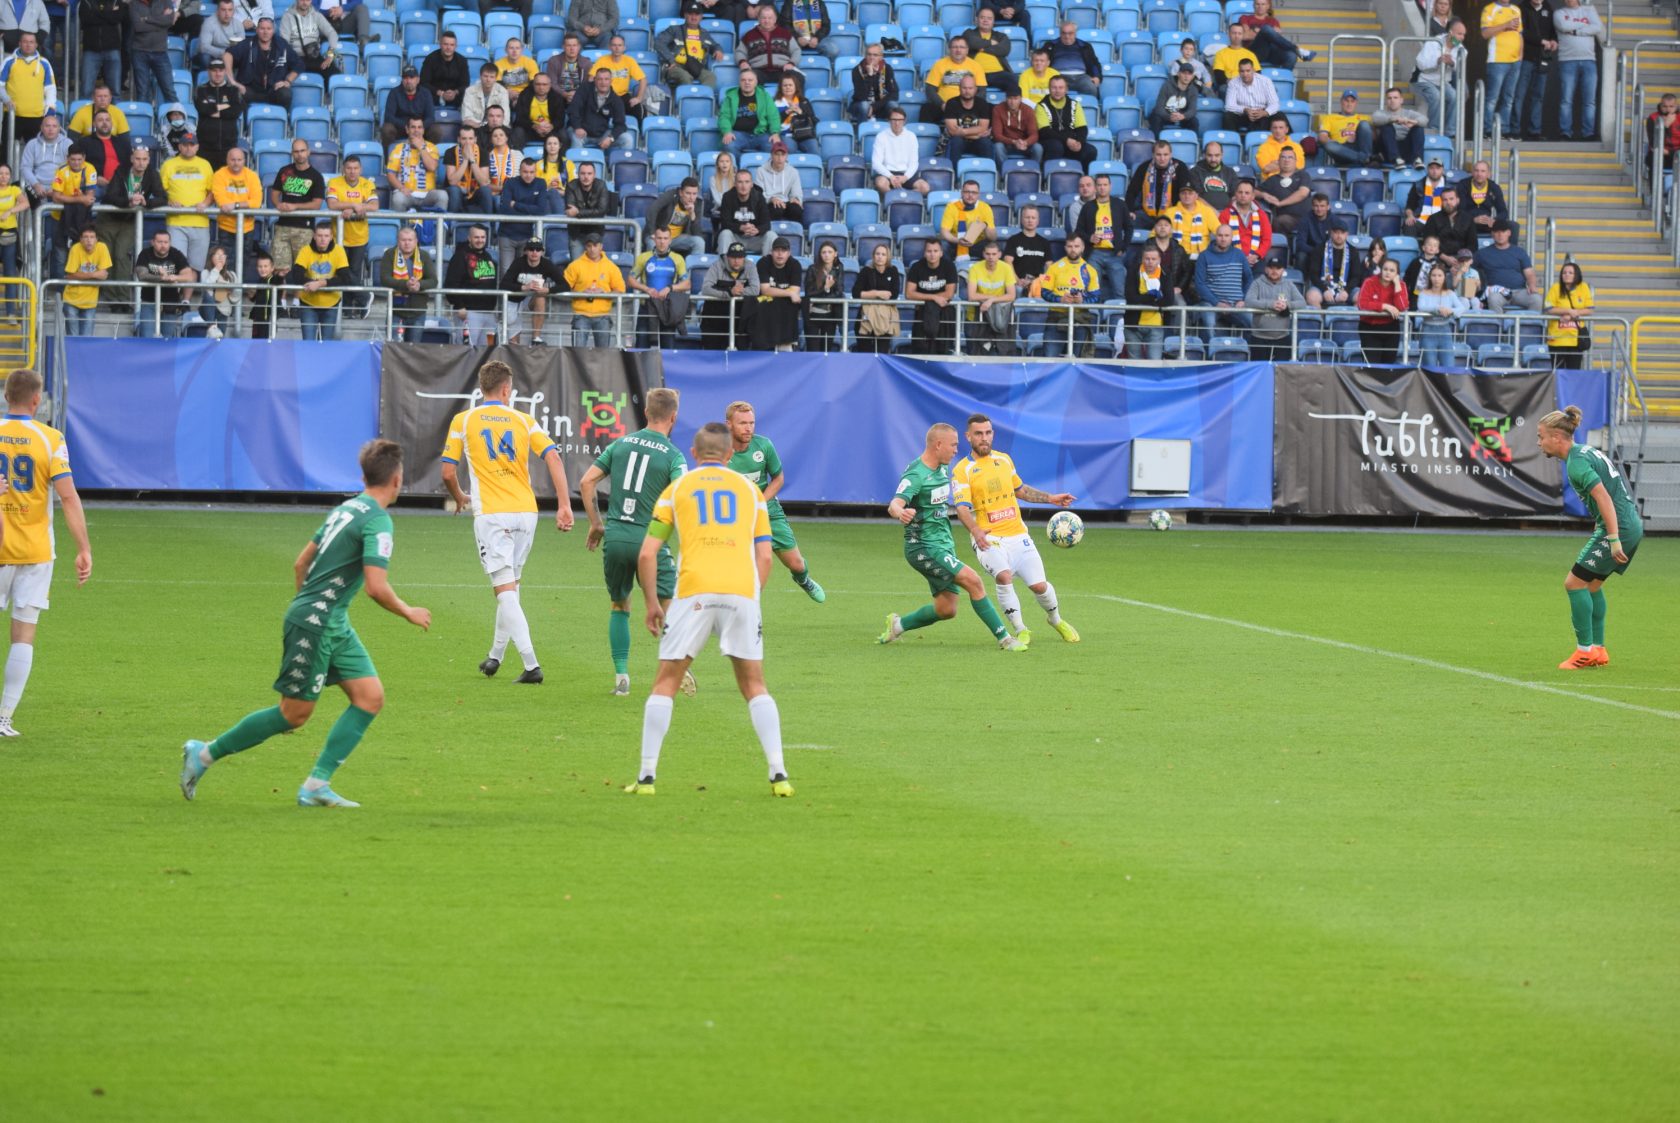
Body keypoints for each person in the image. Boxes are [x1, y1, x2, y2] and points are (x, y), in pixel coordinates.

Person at [179, 439, 431, 807]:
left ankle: (316, 786)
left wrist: (310, 605)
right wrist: (408, 611)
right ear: (397, 480)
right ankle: (203, 754)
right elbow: (376, 587)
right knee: (293, 714)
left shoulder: (346, 509)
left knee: (369, 697)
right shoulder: (378, 521)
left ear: (364, 477)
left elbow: (301, 564)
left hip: (329, 620)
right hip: (318, 622)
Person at [624, 421, 792, 796]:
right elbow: (765, 556)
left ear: (694, 453)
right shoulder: (751, 492)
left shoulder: (677, 488)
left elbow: (648, 553)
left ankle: (647, 777)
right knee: (754, 685)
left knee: (666, 682)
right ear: (730, 454)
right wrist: (751, 597)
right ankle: (779, 774)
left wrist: (651, 603)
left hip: (693, 592)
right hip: (740, 591)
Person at [438, 360, 572, 685]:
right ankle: (495, 656)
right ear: (506, 390)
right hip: (526, 512)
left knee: (504, 590)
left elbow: (447, 472)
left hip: (492, 514)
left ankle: (531, 665)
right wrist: (565, 505)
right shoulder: (525, 420)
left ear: (481, 388)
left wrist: (459, 496)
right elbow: (554, 457)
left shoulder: (464, 419)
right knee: (511, 587)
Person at [577, 386, 688, 697]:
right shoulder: (674, 455)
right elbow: (683, 496)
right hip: (649, 539)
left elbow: (586, 482)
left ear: (646, 413)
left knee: (619, 605)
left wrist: (596, 524)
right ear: (674, 417)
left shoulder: (621, 444)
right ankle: (677, 664)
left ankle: (622, 678)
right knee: (669, 604)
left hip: (615, 537)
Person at [877, 423, 1025, 652]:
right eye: (953, 445)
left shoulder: (942, 468)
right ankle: (1005, 639)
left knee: (946, 609)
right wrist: (901, 512)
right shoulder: (916, 474)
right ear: (938, 445)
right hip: (923, 546)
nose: (957, 450)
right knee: (973, 581)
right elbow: (894, 504)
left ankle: (897, 625)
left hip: (943, 544)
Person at [0, 371, 83, 738]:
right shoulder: (50, 439)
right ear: (36, 400)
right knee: (23, 633)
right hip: (34, 551)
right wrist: (83, 548)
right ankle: (3, 718)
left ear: (6, 396)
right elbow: (68, 496)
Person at [952, 414, 1077, 645]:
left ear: (992, 434)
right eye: (978, 433)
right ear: (968, 437)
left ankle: (1055, 619)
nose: (984, 438)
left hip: (1018, 534)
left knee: (1039, 586)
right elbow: (961, 508)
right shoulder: (963, 470)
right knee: (1004, 575)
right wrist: (975, 531)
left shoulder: (1004, 460)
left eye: (988, 432)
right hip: (988, 537)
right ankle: (1020, 629)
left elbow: (1020, 490)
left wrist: (1051, 498)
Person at [1536, 405, 1642, 670]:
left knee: (1573, 583)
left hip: (1618, 529)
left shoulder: (1577, 464)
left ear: (1557, 437)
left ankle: (1584, 652)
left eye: (1541, 436)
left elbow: (1603, 497)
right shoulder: (1584, 452)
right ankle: (1598, 650)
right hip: (1628, 524)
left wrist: (1613, 538)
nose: (1539, 443)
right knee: (1592, 586)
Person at [724, 401, 825, 602]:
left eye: (752, 423)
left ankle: (804, 580)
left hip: (768, 512)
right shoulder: (721, 452)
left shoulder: (764, 445)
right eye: (743, 423)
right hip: (736, 517)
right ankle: (742, 603)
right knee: (745, 569)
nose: (748, 428)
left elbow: (778, 478)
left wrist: (759, 503)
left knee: (796, 564)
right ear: (729, 424)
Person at [325, 152, 375, 312]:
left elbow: (374, 206)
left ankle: (348, 308)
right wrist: (354, 205)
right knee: (342, 271)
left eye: (355, 168)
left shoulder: (367, 184)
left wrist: (352, 208)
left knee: (353, 273)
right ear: (343, 169)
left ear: (361, 169)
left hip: (359, 237)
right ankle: (364, 297)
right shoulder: (334, 182)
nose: (352, 171)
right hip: (339, 236)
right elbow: (332, 204)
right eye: (349, 168)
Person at [269, 137, 325, 275]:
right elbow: (274, 194)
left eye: (302, 151)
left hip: (304, 229)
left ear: (308, 152)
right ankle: (280, 291)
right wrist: (278, 204)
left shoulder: (316, 176)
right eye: (296, 151)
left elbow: (317, 204)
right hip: (283, 226)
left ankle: (298, 292)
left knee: (303, 271)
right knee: (279, 270)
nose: (300, 154)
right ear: (292, 153)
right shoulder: (284, 171)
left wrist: (295, 207)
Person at [161, 131, 214, 273]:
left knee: (196, 267)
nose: (188, 148)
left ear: (197, 147)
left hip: (200, 222)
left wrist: (205, 203)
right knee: (177, 266)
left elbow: (212, 191)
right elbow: (160, 190)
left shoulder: (205, 164)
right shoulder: (168, 164)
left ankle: (189, 290)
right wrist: (169, 201)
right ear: (179, 146)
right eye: (185, 145)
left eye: (192, 145)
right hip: (176, 222)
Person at [629, 227, 691, 348]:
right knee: (641, 346)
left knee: (668, 348)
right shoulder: (643, 257)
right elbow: (631, 280)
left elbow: (687, 284)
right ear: (654, 239)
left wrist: (670, 288)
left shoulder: (677, 258)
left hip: (667, 307)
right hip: (646, 306)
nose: (662, 242)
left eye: (665, 238)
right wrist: (646, 289)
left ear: (670, 240)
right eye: (659, 238)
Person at [1038, 233, 1099, 356]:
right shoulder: (1054, 268)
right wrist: (1060, 299)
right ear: (1065, 248)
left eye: (1076, 246)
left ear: (1082, 248)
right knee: (1050, 359)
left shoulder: (1090, 270)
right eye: (1070, 246)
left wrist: (1082, 301)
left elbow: (1096, 296)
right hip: (1056, 317)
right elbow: (1044, 292)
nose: (1073, 249)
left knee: (1079, 361)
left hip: (1080, 319)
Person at [287, 220, 349, 339]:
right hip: (308, 304)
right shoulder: (305, 250)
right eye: (320, 235)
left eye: (326, 236)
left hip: (331, 304)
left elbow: (345, 278)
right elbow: (296, 275)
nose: (323, 239)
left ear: (331, 237)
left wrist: (320, 283)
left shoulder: (339, 251)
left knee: (325, 345)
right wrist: (311, 283)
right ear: (314, 236)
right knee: (308, 343)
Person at [1553, 0, 1605, 142]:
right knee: (1566, 100)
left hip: (1589, 60)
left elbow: (1597, 27)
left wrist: (1576, 31)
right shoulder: (1559, 13)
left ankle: (1588, 133)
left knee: (1589, 101)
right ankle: (1565, 132)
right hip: (1567, 60)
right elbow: (1563, 26)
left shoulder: (1589, 10)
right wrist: (1586, 25)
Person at [561, 231, 624, 347]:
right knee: (578, 353)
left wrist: (604, 293)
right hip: (581, 314)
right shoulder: (575, 266)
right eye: (589, 246)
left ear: (601, 246)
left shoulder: (611, 267)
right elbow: (563, 288)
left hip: (603, 315)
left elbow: (620, 290)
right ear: (585, 247)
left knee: (602, 353)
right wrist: (581, 293)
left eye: (595, 245)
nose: (592, 249)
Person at [444, 223, 503, 345]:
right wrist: (459, 305)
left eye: (483, 237)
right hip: (469, 313)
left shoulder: (487, 256)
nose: (480, 240)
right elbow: (450, 283)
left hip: (489, 313)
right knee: (466, 351)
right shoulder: (460, 256)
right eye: (476, 237)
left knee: (487, 352)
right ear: (469, 238)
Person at [1073, 171, 1127, 301]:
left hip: (1114, 253)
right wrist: (1089, 238)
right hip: (1094, 253)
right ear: (1095, 187)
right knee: (1093, 290)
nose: (1102, 188)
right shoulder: (1088, 207)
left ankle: (1119, 314)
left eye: (1105, 185)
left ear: (1110, 186)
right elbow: (1079, 230)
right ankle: (1093, 314)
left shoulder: (1119, 204)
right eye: (1099, 185)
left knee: (1119, 291)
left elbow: (1129, 227)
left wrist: (1123, 247)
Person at [1192, 225, 1253, 338]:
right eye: (1220, 235)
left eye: (1226, 235)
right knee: (1209, 323)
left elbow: (1249, 279)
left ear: (1231, 237)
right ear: (1215, 237)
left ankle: (1246, 349)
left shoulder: (1239, 254)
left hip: (1236, 304)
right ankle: (1211, 349)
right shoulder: (1204, 256)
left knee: (1253, 322)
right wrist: (1217, 303)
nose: (1223, 239)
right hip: (1211, 304)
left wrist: (1243, 299)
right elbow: (1199, 284)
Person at [1241, 252, 1303, 360]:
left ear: (1283, 270)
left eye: (1278, 268)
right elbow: (1248, 301)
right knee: (1259, 368)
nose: (1274, 271)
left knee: (1281, 369)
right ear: (1266, 269)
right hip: (1259, 337)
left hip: (1282, 338)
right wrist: (1270, 304)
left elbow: (1302, 303)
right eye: (1271, 268)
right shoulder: (1257, 283)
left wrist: (1286, 305)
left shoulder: (1289, 284)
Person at [225, 17, 298, 109]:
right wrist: (232, 81)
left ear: (273, 31)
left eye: (269, 29)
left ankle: (284, 117)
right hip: (250, 89)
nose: (265, 32)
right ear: (257, 30)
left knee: (285, 94)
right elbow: (227, 55)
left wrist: (288, 81)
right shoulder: (247, 44)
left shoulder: (281, 44)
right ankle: (243, 118)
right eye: (262, 28)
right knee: (237, 93)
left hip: (273, 90)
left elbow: (299, 64)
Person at [379, 225, 437, 337]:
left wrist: (419, 285)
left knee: (414, 346)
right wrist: (406, 284)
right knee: (394, 346)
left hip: (418, 311)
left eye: (410, 240)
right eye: (403, 240)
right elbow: (384, 279)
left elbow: (433, 280)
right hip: (396, 311)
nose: (407, 243)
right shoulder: (389, 254)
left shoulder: (424, 256)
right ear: (398, 241)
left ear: (416, 241)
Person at [1511, 0, 1556, 141]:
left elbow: (1552, 31)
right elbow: (1522, 32)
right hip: (1525, 58)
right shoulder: (1521, 8)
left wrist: (1554, 40)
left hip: (1542, 59)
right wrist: (1541, 41)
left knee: (1538, 96)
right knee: (1519, 95)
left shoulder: (1548, 7)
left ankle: (1534, 131)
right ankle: (1514, 130)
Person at [700, 240, 758, 348]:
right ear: (727, 257)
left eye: (740, 257)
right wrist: (729, 292)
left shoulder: (751, 266)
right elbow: (706, 289)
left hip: (740, 320)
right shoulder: (716, 266)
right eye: (733, 257)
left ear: (744, 258)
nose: (736, 261)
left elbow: (755, 290)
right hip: (715, 320)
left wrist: (737, 291)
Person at [1412, 19, 1465, 135]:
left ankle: (1450, 132)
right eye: (1459, 34)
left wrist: (1452, 63)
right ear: (1450, 33)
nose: (1462, 37)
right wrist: (1437, 61)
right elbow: (1420, 63)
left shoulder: (1461, 50)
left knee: (1455, 97)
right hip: (1423, 80)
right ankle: (1434, 129)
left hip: (1442, 83)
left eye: (1464, 34)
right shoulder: (1433, 43)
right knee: (1436, 96)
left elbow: (1462, 69)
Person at [1474, 220, 1540, 313]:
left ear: (1509, 233)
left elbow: (1530, 273)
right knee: (1493, 298)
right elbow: (1468, 268)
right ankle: (1498, 323)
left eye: (1503, 231)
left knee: (1537, 299)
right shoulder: (1482, 253)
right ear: (1492, 234)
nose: (1500, 235)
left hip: (1519, 291)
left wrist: (1532, 285)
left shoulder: (1519, 252)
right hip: (1498, 292)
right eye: (1497, 232)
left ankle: (1529, 323)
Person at [905, 238, 957, 354]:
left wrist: (926, 297)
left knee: (943, 350)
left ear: (941, 253)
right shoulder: (916, 267)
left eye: (935, 251)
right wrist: (934, 297)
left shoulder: (949, 266)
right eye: (929, 251)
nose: (932, 254)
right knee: (921, 350)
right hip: (922, 313)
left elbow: (949, 293)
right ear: (924, 253)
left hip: (944, 314)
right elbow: (909, 294)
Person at [0, 32, 55, 142]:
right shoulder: (9, 61)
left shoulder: (44, 63)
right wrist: (6, 100)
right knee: (6, 151)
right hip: (13, 115)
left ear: (36, 45)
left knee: (35, 152)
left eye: (31, 42)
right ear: (19, 43)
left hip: (37, 116)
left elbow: (50, 88)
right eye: (25, 42)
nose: (28, 45)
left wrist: (50, 108)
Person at [965, 239, 1016, 356]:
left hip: (998, 316)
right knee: (975, 353)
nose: (991, 257)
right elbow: (971, 296)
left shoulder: (1006, 268)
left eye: (994, 254)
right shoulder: (975, 268)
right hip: (976, 317)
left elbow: (1012, 295)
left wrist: (991, 300)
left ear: (999, 254)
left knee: (1000, 353)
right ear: (983, 254)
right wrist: (994, 298)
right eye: (988, 254)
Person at [657, 3, 726, 89]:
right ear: (685, 15)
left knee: (711, 77)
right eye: (690, 14)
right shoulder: (674, 29)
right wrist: (671, 60)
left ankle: (702, 97)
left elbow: (715, 45)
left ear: (701, 16)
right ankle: (688, 97)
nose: (694, 17)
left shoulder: (704, 33)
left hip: (696, 67)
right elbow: (659, 43)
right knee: (685, 77)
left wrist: (717, 50)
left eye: (697, 14)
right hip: (676, 66)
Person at [1122, 242, 1172, 359]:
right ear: (1142, 259)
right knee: (1135, 363)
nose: (1150, 262)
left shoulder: (1166, 273)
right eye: (1147, 259)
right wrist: (1154, 297)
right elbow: (1131, 298)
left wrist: (1143, 298)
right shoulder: (1133, 271)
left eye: (1153, 259)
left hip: (1156, 325)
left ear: (1159, 260)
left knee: (1154, 362)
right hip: (1133, 324)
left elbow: (1169, 300)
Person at [751, 235, 802, 351]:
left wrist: (779, 292)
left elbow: (795, 291)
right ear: (771, 252)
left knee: (790, 304)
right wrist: (789, 293)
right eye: (777, 250)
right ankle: (764, 345)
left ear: (789, 253)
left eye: (783, 250)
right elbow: (765, 290)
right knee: (765, 303)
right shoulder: (763, 262)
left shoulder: (795, 265)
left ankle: (787, 343)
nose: (780, 254)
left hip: (785, 305)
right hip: (766, 303)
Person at [1481, 0, 1523, 138]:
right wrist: (1505, 25)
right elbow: (1485, 33)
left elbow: (1519, 34)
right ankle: (1487, 130)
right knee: (1492, 98)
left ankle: (1504, 130)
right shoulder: (1489, 9)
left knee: (1508, 98)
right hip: (1497, 60)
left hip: (1515, 61)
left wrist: (1520, 56)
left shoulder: (1516, 9)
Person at [194, 59, 246, 170]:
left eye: (220, 70)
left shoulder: (233, 90)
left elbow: (235, 112)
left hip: (228, 145)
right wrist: (225, 106)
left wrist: (212, 110)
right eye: (214, 71)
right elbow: (203, 109)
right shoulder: (201, 90)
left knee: (226, 179)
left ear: (225, 72)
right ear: (209, 72)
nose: (218, 74)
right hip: (205, 146)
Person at [385, 116, 444, 212]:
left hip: (428, 194)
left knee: (442, 196)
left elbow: (432, 167)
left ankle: (438, 222)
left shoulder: (432, 147)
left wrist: (421, 148)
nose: (416, 130)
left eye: (419, 127)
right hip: (407, 194)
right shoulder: (398, 148)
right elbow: (390, 174)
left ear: (423, 130)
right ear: (407, 130)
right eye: (413, 127)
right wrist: (401, 188)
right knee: (398, 198)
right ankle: (401, 222)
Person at [1126, 139, 1191, 226]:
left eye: (1165, 154)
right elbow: (1131, 192)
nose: (1162, 158)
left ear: (1170, 154)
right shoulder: (1144, 167)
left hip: (1171, 215)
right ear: (1153, 155)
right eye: (1158, 155)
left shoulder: (1180, 167)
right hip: (1146, 215)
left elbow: (1186, 193)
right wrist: (1130, 211)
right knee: (1128, 222)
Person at [851, 240, 900, 352]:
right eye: (877, 254)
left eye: (883, 254)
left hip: (885, 317)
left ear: (888, 257)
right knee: (865, 352)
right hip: (866, 316)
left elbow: (894, 294)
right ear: (873, 256)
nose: (880, 257)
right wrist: (877, 293)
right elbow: (856, 293)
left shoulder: (893, 271)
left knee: (882, 352)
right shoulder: (866, 271)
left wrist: (867, 294)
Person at [1356, 257, 1407, 363]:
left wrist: (1397, 285)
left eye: (1392, 270)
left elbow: (1402, 307)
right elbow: (1362, 304)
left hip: (1391, 328)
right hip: (1369, 327)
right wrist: (1384, 306)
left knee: (1388, 365)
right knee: (1371, 365)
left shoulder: (1401, 285)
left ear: (1397, 274)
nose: (1388, 273)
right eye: (1385, 269)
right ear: (1381, 270)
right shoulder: (1369, 282)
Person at [1034, 75, 1091, 169]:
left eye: (1061, 87)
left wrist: (1079, 142)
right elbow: (1045, 131)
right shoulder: (1041, 106)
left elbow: (1082, 128)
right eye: (1054, 87)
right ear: (1049, 89)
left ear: (1066, 89)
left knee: (1090, 151)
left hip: (1071, 142)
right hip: (1050, 141)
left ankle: (1082, 176)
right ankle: (1049, 174)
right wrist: (1067, 140)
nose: (1057, 91)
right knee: (1056, 146)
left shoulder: (1075, 104)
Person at [1545, 260, 1593, 369]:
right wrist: (1568, 311)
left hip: (1576, 339)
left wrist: (1571, 315)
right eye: (1564, 272)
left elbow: (1589, 309)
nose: (1566, 275)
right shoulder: (1555, 287)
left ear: (1577, 275)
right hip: (1557, 338)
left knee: (1574, 373)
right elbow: (1549, 309)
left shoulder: (1583, 287)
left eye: (1570, 273)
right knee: (1558, 373)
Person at [567, 69, 630, 152]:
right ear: (595, 80)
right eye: (600, 79)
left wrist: (611, 138)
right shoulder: (584, 89)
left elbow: (621, 125)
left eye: (606, 79)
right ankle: (576, 160)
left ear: (611, 81)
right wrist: (577, 127)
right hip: (580, 131)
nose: (603, 82)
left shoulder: (616, 100)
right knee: (576, 137)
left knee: (627, 139)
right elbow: (573, 109)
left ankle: (619, 161)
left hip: (602, 134)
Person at [1415, 261, 1464, 367]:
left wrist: (1450, 311)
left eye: (1439, 275)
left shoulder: (1450, 293)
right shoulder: (1423, 293)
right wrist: (1438, 309)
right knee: (1429, 367)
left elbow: (1461, 308)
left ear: (1444, 277)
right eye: (1434, 275)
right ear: (1429, 277)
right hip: (1428, 331)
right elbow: (1421, 307)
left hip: (1445, 331)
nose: (1436, 279)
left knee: (1448, 366)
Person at [1240, 0, 1314, 70]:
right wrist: (1266, 33)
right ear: (1253, 5)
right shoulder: (1245, 18)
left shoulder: (1273, 21)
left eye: (1263, 4)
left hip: (1271, 53)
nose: (1260, 6)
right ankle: (1297, 49)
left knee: (1292, 56)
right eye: (1257, 4)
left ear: (1268, 6)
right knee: (1266, 29)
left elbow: (1277, 39)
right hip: (1254, 52)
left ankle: (1283, 77)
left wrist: (1258, 32)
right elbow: (1245, 36)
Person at [738, 7, 801, 89]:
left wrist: (791, 63)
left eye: (770, 18)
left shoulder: (785, 33)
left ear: (775, 19)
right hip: (758, 70)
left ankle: (795, 98)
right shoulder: (749, 35)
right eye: (763, 18)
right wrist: (743, 62)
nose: (767, 21)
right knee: (748, 79)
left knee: (798, 78)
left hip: (782, 70)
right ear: (759, 19)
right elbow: (740, 51)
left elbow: (796, 50)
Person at [131, 0, 180, 105]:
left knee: (169, 90)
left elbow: (169, 21)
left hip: (160, 52)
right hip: (140, 52)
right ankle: (144, 116)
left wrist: (146, 19)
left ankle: (177, 115)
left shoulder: (166, 2)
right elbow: (138, 26)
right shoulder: (134, 3)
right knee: (143, 92)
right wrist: (160, 22)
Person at [62, 226, 109, 334]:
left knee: (86, 338)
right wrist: (94, 274)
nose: (89, 240)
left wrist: (81, 275)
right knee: (73, 338)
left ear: (97, 240)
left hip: (90, 302)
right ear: (81, 240)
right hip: (71, 299)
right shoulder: (75, 248)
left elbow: (103, 276)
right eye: (86, 237)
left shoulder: (102, 248)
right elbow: (70, 275)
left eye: (92, 237)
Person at [871, 106, 928, 195]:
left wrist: (905, 177)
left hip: (905, 173)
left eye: (900, 120)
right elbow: (876, 163)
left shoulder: (911, 136)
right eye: (894, 120)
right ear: (889, 121)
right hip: (887, 173)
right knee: (881, 183)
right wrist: (891, 176)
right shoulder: (881, 136)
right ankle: (896, 198)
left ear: (904, 121)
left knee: (924, 187)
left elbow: (914, 163)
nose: (897, 123)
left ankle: (902, 197)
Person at [1258, 147, 1312, 237]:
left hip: (1306, 218)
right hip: (1286, 219)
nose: (1286, 160)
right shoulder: (1272, 180)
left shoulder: (1303, 175)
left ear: (1295, 161)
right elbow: (1253, 192)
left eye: (1290, 157)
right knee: (1279, 221)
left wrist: (1280, 203)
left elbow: (1303, 193)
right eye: (1283, 157)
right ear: (1278, 161)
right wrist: (1263, 195)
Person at [939, 75, 992, 166]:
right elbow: (953, 132)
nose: (967, 91)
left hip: (977, 142)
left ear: (975, 89)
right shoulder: (951, 103)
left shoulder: (982, 104)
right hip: (959, 140)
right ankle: (955, 172)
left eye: (970, 88)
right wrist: (976, 135)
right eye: (964, 88)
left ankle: (987, 170)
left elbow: (983, 128)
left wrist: (963, 131)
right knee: (956, 141)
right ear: (959, 88)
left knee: (986, 143)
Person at [278, 0, 340, 78]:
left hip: (314, 57)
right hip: (296, 58)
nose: (304, 2)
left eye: (307, 0)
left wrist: (330, 54)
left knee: (335, 75)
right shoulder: (287, 17)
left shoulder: (316, 15)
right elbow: (284, 42)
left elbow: (332, 33)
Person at [590, 35, 646, 120]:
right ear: (609, 47)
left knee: (638, 108)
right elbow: (591, 78)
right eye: (614, 45)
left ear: (624, 47)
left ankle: (637, 128)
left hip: (622, 96)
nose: (617, 48)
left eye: (620, 45)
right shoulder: (602, 60)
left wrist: (639, 98)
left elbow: (643, 79)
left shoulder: (629, 61)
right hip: (605, 96)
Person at [80, 0, 127, 101]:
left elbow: (118, 18)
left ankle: (115, 112)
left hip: (112, 49)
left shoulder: (116, 1)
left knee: (115, 91)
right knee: (86, 90)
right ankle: (85, 112)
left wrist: (96, 13)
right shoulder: (86, 2)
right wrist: (108, 13)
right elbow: (86, 19)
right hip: (91, 50)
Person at [1371, 86, 1427, 169]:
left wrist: (1413, 122)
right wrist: (1393, 119)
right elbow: (1375, 119)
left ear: (1401, 100)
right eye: (1389, 98)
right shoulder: (1380, 113)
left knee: (1418, 127)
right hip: (1387, 150)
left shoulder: (1409, 113)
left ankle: (1417, 159)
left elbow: (1425, 120)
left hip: (1405, 149)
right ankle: (1396, 159)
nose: (1392, 100)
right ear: (1386, 101)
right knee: (1386, 127)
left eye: (1395, 98)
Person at [801, 241, 843, 352]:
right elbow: (809, 293)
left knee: (826, 350)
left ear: (835, 254)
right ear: (820, 254)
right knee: (812, 350)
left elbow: (839, 292)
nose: (826, 255)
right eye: (823, 252)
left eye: (830, 252)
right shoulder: (812, 269)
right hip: (813, 315)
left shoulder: (839, 268)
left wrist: (823, 294)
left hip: (830, 315)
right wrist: (826, 288)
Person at [1220, 180, 1272, 268]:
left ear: (1253, 196)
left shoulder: (1261, 215)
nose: (1243, 195)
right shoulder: (1225, 214)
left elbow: (1267, 239)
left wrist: (1256, 255)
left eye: (1247, 193)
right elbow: (1222, 239)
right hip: (1231, 260)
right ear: (1235, 194)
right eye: (1240, 192)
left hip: (1256, 259)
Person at [1040, 21, 1100, 96]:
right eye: (1064, 33)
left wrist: (1096, 76)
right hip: (1058, 76)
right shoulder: (1050, 45)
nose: (1067, 36)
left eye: (1070, 33)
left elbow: (1094, 63)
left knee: (1090, 88)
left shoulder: (1085, 46)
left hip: (1081, 77)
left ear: (1075, 33)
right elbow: (1041, 60)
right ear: (1060, 33)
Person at [940, 178, 995, 261]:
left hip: (976, 244)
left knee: (992, 247)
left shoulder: (985, 208)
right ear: (962, 193)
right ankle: (949, 269)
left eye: (974, 192)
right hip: (956, 243)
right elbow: (944, 233)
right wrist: (958, 241)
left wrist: (985, 225)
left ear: (978, 194)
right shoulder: (952, 206)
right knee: (942, 246)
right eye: (967, 192)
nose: (970, 195)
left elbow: (993, 237)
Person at [650, 177, 705, 259]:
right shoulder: (670, 196)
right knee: (652, 244)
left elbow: (697, 233)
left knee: (699, 242)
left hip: (677, 239)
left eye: (694, 194)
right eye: (688, 193)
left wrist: (692, 214)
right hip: (660, 236)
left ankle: (692, 266)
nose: (691, 197)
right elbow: (652, 209)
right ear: (681, 192)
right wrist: (652, 232)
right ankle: (654, 266)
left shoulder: (697, 204)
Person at [716, 168, 769, 253]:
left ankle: (767, 261)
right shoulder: (727, 197)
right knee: (725, 234)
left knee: (771, 235)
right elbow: (725, 223)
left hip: (755, 239)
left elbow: (767, 224)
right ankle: (724, 261)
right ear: (735, 184)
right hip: (735, 238)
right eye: (740, 182)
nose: (743, 186)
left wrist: (757, 230)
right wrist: (741, 228)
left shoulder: (759, 197)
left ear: (751, 184)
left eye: (747, 182)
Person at [1316, 90, 1373, 167]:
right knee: (1329, 145)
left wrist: (1358, 135)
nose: (1349, 104)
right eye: (1346, 101)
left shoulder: (1364, 118)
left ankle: (1363, 158)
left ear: (1356, 103)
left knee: (1364, 124)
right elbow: (1322, 137)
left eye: (1352, 101)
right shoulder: (1330, 118)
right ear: (1341, 102)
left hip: (1358, 146)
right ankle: (1365, 159)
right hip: (1341, 149)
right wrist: (1335, 142)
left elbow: (1373, 138)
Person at [1165, 182, 1220, 260]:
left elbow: (1219, 231)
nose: (1187, 196)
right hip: (1176, 256)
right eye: (1183, 193)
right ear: (1179, 195)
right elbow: (1156, 233)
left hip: (1201, 256)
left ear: (1196, 196)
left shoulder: (1206, 211)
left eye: (1190, 193)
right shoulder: (1170, 212)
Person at [382, 66, 435, 146]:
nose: (408, 81)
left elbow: (430, 117)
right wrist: (408, 126)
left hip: (420, 128)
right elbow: (388, 116)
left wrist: (418, 127)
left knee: (436, 130)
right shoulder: (394, 93)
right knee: (387, 129)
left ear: (418, 80)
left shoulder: (426, 93)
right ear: (402, 80)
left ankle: (430, 153)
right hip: (401, 128)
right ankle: (388, 154)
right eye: (405, 78)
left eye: (411, 78)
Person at [754, 139, 804, 225]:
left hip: (786, 202)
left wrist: (795, 199)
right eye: (777, 154)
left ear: (787, 156)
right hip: (769, 202)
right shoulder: (761, 170)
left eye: (782, 155)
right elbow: (759, 194)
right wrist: (771, 199)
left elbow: (797, 192)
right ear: (771, 155)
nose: (780, 158)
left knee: (796, 209)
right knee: (776, 209)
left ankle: (795, 231)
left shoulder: (793, 172)